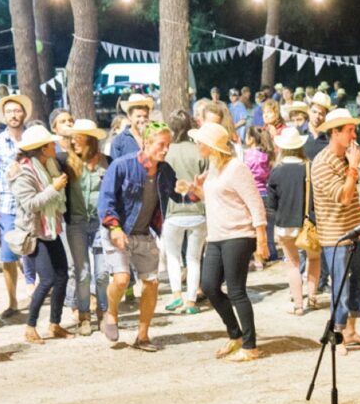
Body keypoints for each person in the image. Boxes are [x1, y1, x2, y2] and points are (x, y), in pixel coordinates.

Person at [187, 121, 268, 362]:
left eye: (200, 141)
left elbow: (255, 204)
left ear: (212, 145)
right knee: (210, 286)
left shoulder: (236, 168)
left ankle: (251, 346)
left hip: (238, 235)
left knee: (236, 291)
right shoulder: (213, 168)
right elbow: (219, 201)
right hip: (216, 236)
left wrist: (261, 240)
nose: (197, 144)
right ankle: (236, 334)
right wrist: (198, 191)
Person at [97, 124, 178, 350]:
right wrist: (114, 228)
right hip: (117, 230)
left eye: (168, 145)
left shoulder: (165, 170)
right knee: (122, 279)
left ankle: (142, 336)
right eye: (161, 145)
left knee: (151, 284)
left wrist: (192, 192)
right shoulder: (122, 165)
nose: (165, 150)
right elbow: (106, 200)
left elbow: (177, 195)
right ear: (146, 143)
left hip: (144, 232)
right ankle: (110, 312)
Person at [311, 108, 360, 352]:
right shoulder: (323, 163)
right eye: (348, 130)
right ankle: (337, 337)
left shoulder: (344, 158)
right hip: (335, 235)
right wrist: (354, 167)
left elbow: (354, 198)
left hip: (352, 231)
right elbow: (344, 196)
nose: (353, 134)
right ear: (334, 133)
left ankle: (350, 330)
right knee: (340, 288)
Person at [10, 125, 72, 345]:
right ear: (42, 148)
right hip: (36, 232)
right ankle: (30, 326)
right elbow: (30, 205)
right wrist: (53, 188)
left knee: (62, 275)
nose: (54, 146)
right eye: (50, 143)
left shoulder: (51, 165)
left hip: (52, 228)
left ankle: (55, 324)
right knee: (46, 280)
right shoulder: (24, 172)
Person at [0, 93, 34, 317]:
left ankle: (37, 291)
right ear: (3, 116)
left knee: (36, 250)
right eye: (10, 112)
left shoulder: (32, 139)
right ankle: (13, 301)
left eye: (17, 111)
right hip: (8, 204)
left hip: (34, 203)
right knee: (8, 255)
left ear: (24, 113)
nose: (14, 115)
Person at [63, 119, 111, 334]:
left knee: (102, 273)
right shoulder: (66, 163)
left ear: (90, 139)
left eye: (79, 137)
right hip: (77, 223)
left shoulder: (107, 162)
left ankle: (103, 312)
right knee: (82, 273)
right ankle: (84, 315)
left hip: (102, 224)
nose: (74, 142)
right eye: (73, 138)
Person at [268, 125, 318, 313]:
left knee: (293, 263)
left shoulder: (277, 171)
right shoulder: (309, 167)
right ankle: (312, 298)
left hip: (285, 223)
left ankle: (298, 305)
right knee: (314, 259)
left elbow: (272, 204)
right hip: (308, 222)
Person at [162, 111, 208, 316]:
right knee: (194, 258)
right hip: (198, 210)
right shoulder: (199, 151)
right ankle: (191, 300)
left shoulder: (166, 151)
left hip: (173, 211)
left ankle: (175, 295)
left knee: (173, 256)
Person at [244, 125, 275, 266]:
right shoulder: (267, 155)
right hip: (266, 193)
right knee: (268, 227)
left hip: (253, 194)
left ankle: (258, 257)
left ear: (251, 139)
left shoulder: (248, 155)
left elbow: (244, 173)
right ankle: (271, 253)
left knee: (256, 227)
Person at [109, 94, 154, 163]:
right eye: (138, 116)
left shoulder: (154, 137)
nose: (142, 120)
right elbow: (115, 169)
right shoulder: (119, 142)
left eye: (145, 116)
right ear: (129, 116)